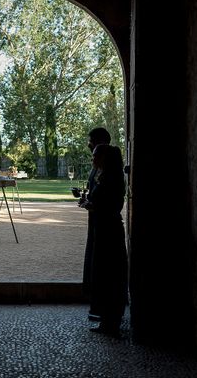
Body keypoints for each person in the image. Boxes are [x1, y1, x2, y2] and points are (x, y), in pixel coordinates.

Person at [80, 143, 128, 337]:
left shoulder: (109, 179)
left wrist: (89, 204)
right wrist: (89, 203)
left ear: (104, 158)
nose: (92, 159)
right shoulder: (110, 177)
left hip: (108, 232)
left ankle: (111, 322)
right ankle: (110, 320)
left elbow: (107, 206)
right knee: (109, 274)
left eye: (95, 156)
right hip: (109, 229)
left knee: (108, 274)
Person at [80, 127, 112, 322]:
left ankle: (104, 309)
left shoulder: (106, 164)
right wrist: (85, 197)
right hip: (96, 220)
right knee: (95, 259)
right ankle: (97, 305)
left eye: (91, 141)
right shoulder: (99, 163)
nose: (89, 145)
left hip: (103, 221)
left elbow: (108, 198)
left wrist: (91, 202)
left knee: (101, 262)